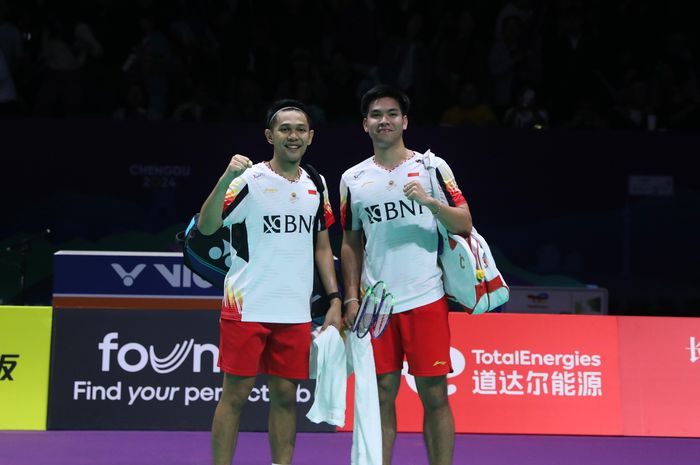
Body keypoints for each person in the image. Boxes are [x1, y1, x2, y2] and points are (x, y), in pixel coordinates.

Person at [198, 99, 342, 465]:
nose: (292, 136)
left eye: (299, 130)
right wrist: (226, 177)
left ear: (310, 137)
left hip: (294, 309)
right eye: (284, 129)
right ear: (269, 135)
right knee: (235, 395)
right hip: (246, 305)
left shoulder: (316, 183)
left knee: (285, 396)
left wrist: (335, 299)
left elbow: (322, 246)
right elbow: (208, 226)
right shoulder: (249, 180)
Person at [340, 85, 472, 465]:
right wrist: (351, 296)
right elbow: (351, 241)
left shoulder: (432, 167)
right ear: (365, 125)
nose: (385, 120)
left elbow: (464, 221)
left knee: (434, 394)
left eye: (392, 114)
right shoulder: (353, 179)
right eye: (377, 115)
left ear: (405, 121)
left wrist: (430, 203)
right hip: (378, 305)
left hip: (426, 298)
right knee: (382, 393)